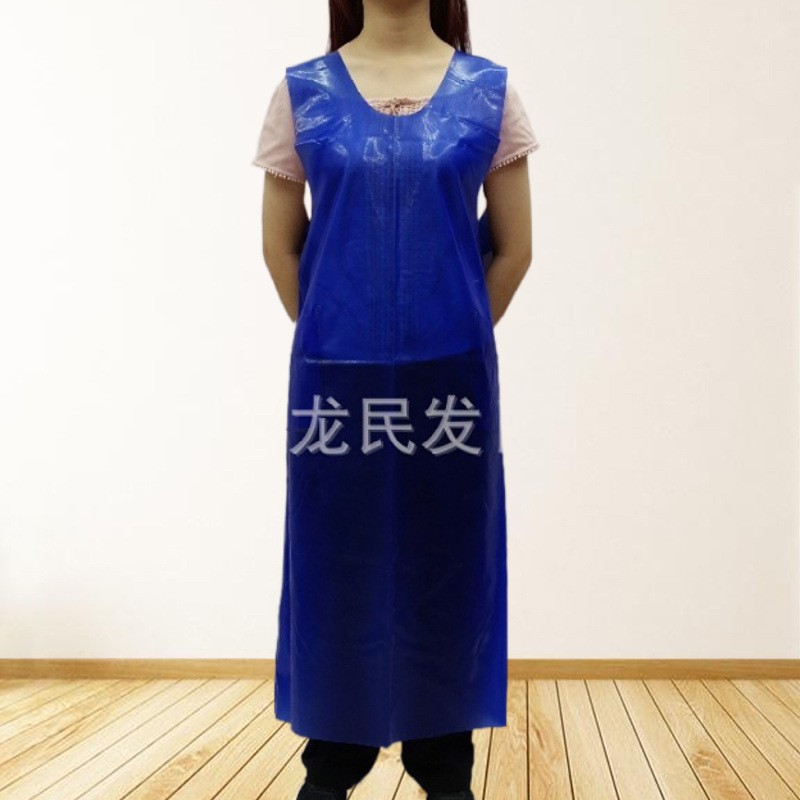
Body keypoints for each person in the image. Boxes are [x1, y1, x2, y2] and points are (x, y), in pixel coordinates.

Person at [252, 1, 538, 798]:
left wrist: (453, 332)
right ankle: (332, 764)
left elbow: (515, 249)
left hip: (451, 389)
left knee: (447, 562)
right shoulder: (303, 93)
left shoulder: (489, 94)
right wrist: (334, 335)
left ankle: (443, 763)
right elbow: (279, 246)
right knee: (336, 561)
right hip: (336, 391)